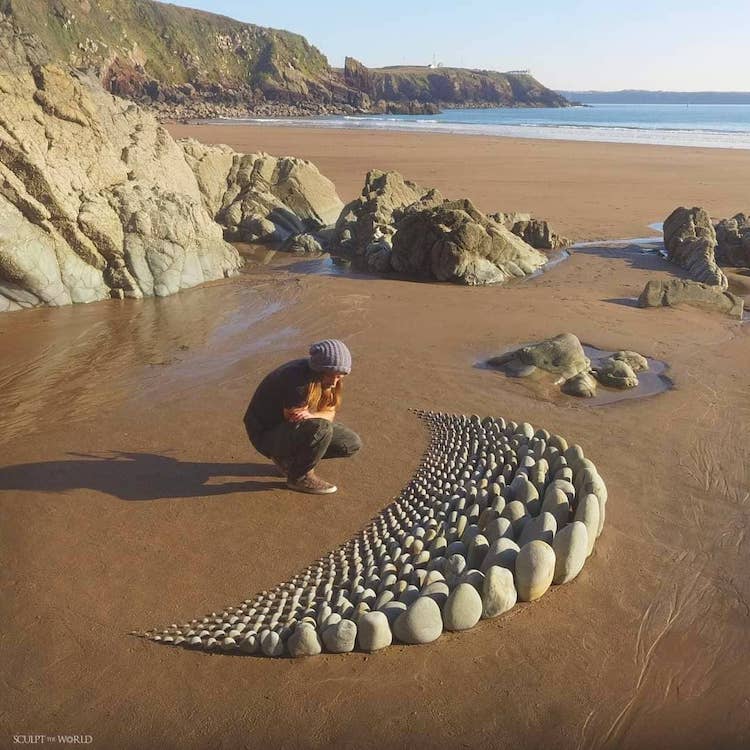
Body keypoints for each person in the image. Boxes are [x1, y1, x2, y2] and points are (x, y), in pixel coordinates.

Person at [243, 339, 362, 495]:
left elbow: (330, 412)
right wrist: (315, 419)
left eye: (339, 376)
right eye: (330, 375)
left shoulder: (332, 378)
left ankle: (289, 462)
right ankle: (298, 477)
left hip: (289, 428)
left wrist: (313, 415)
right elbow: (294, 418)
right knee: (321, 429)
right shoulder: (297, 380)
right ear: (318, 370)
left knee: (350, 443)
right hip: (264, 433)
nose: (334, 382)